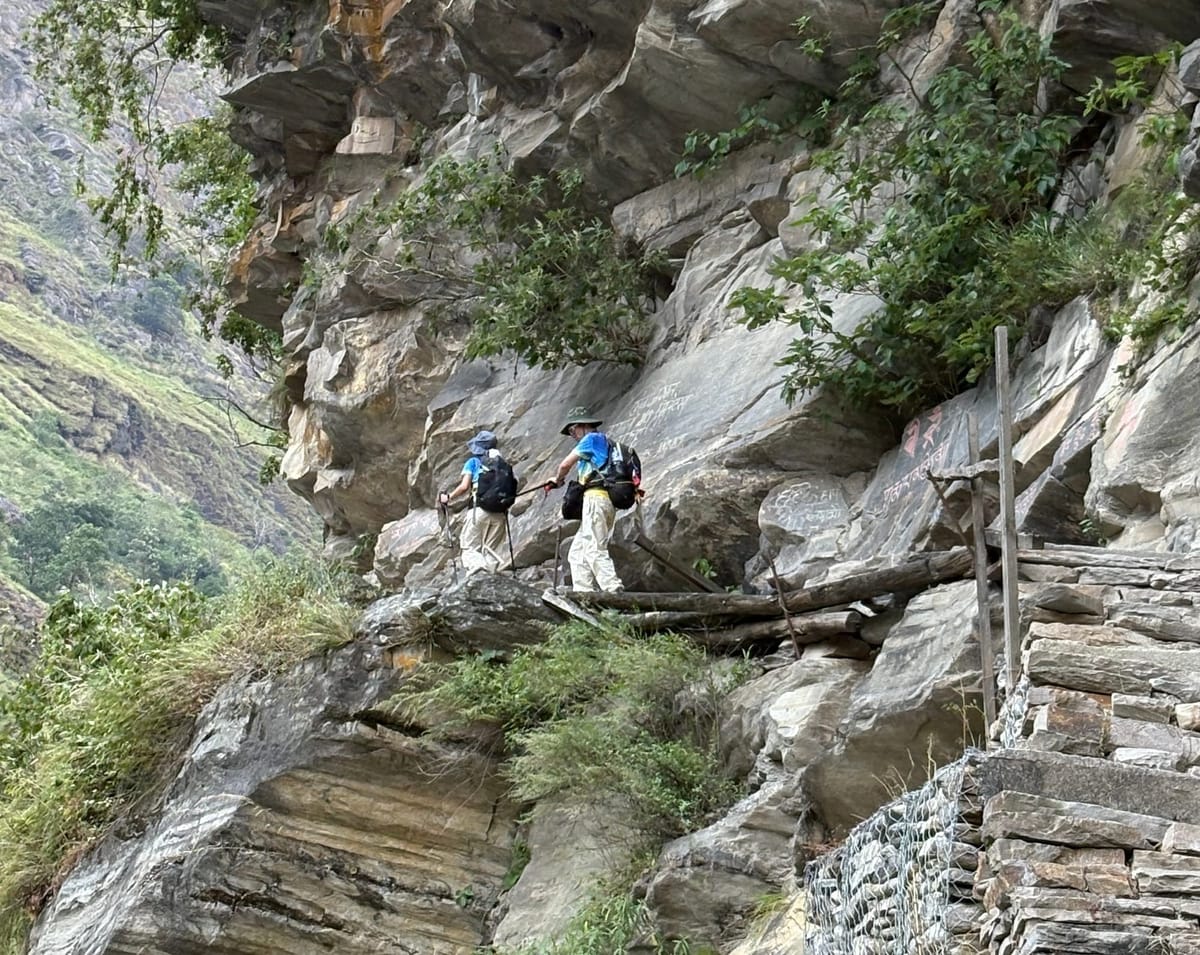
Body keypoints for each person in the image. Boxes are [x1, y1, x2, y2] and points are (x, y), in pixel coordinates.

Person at [545, 407, 624, 593]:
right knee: (577, 553)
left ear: (584, 426)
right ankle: (584, 592)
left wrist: (557, 479)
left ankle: (613, 588)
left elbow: (565, 464)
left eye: (573, 430)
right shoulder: (603, 443)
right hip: (603, 500)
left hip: (596, 498)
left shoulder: (591, 439)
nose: (572, 434)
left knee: (594, 547)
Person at [439, 430, 508, 575]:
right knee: (491, 549)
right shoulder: (502, 464)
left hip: (479, 510)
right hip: (500, 512)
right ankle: (491, 578)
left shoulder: (473, 462)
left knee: (470, 547)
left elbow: (464, 487)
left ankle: (479, 574)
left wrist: (449, 497)